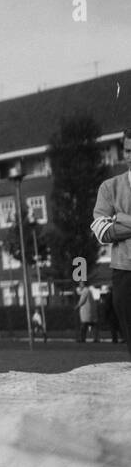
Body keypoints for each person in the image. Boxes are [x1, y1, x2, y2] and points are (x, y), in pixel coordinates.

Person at [91, 132, 131, 360]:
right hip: (125, 275)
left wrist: (121, 219)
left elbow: (111, 226)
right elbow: (102, 231)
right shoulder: (109, 188)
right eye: (128, 151)